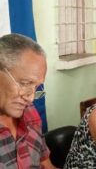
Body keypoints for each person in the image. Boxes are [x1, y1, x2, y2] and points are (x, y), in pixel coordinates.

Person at [0, 34, 55, 168]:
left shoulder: (30, 112)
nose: (30, 98)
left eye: (36, 87)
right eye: (25, 83)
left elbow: (46, 164)